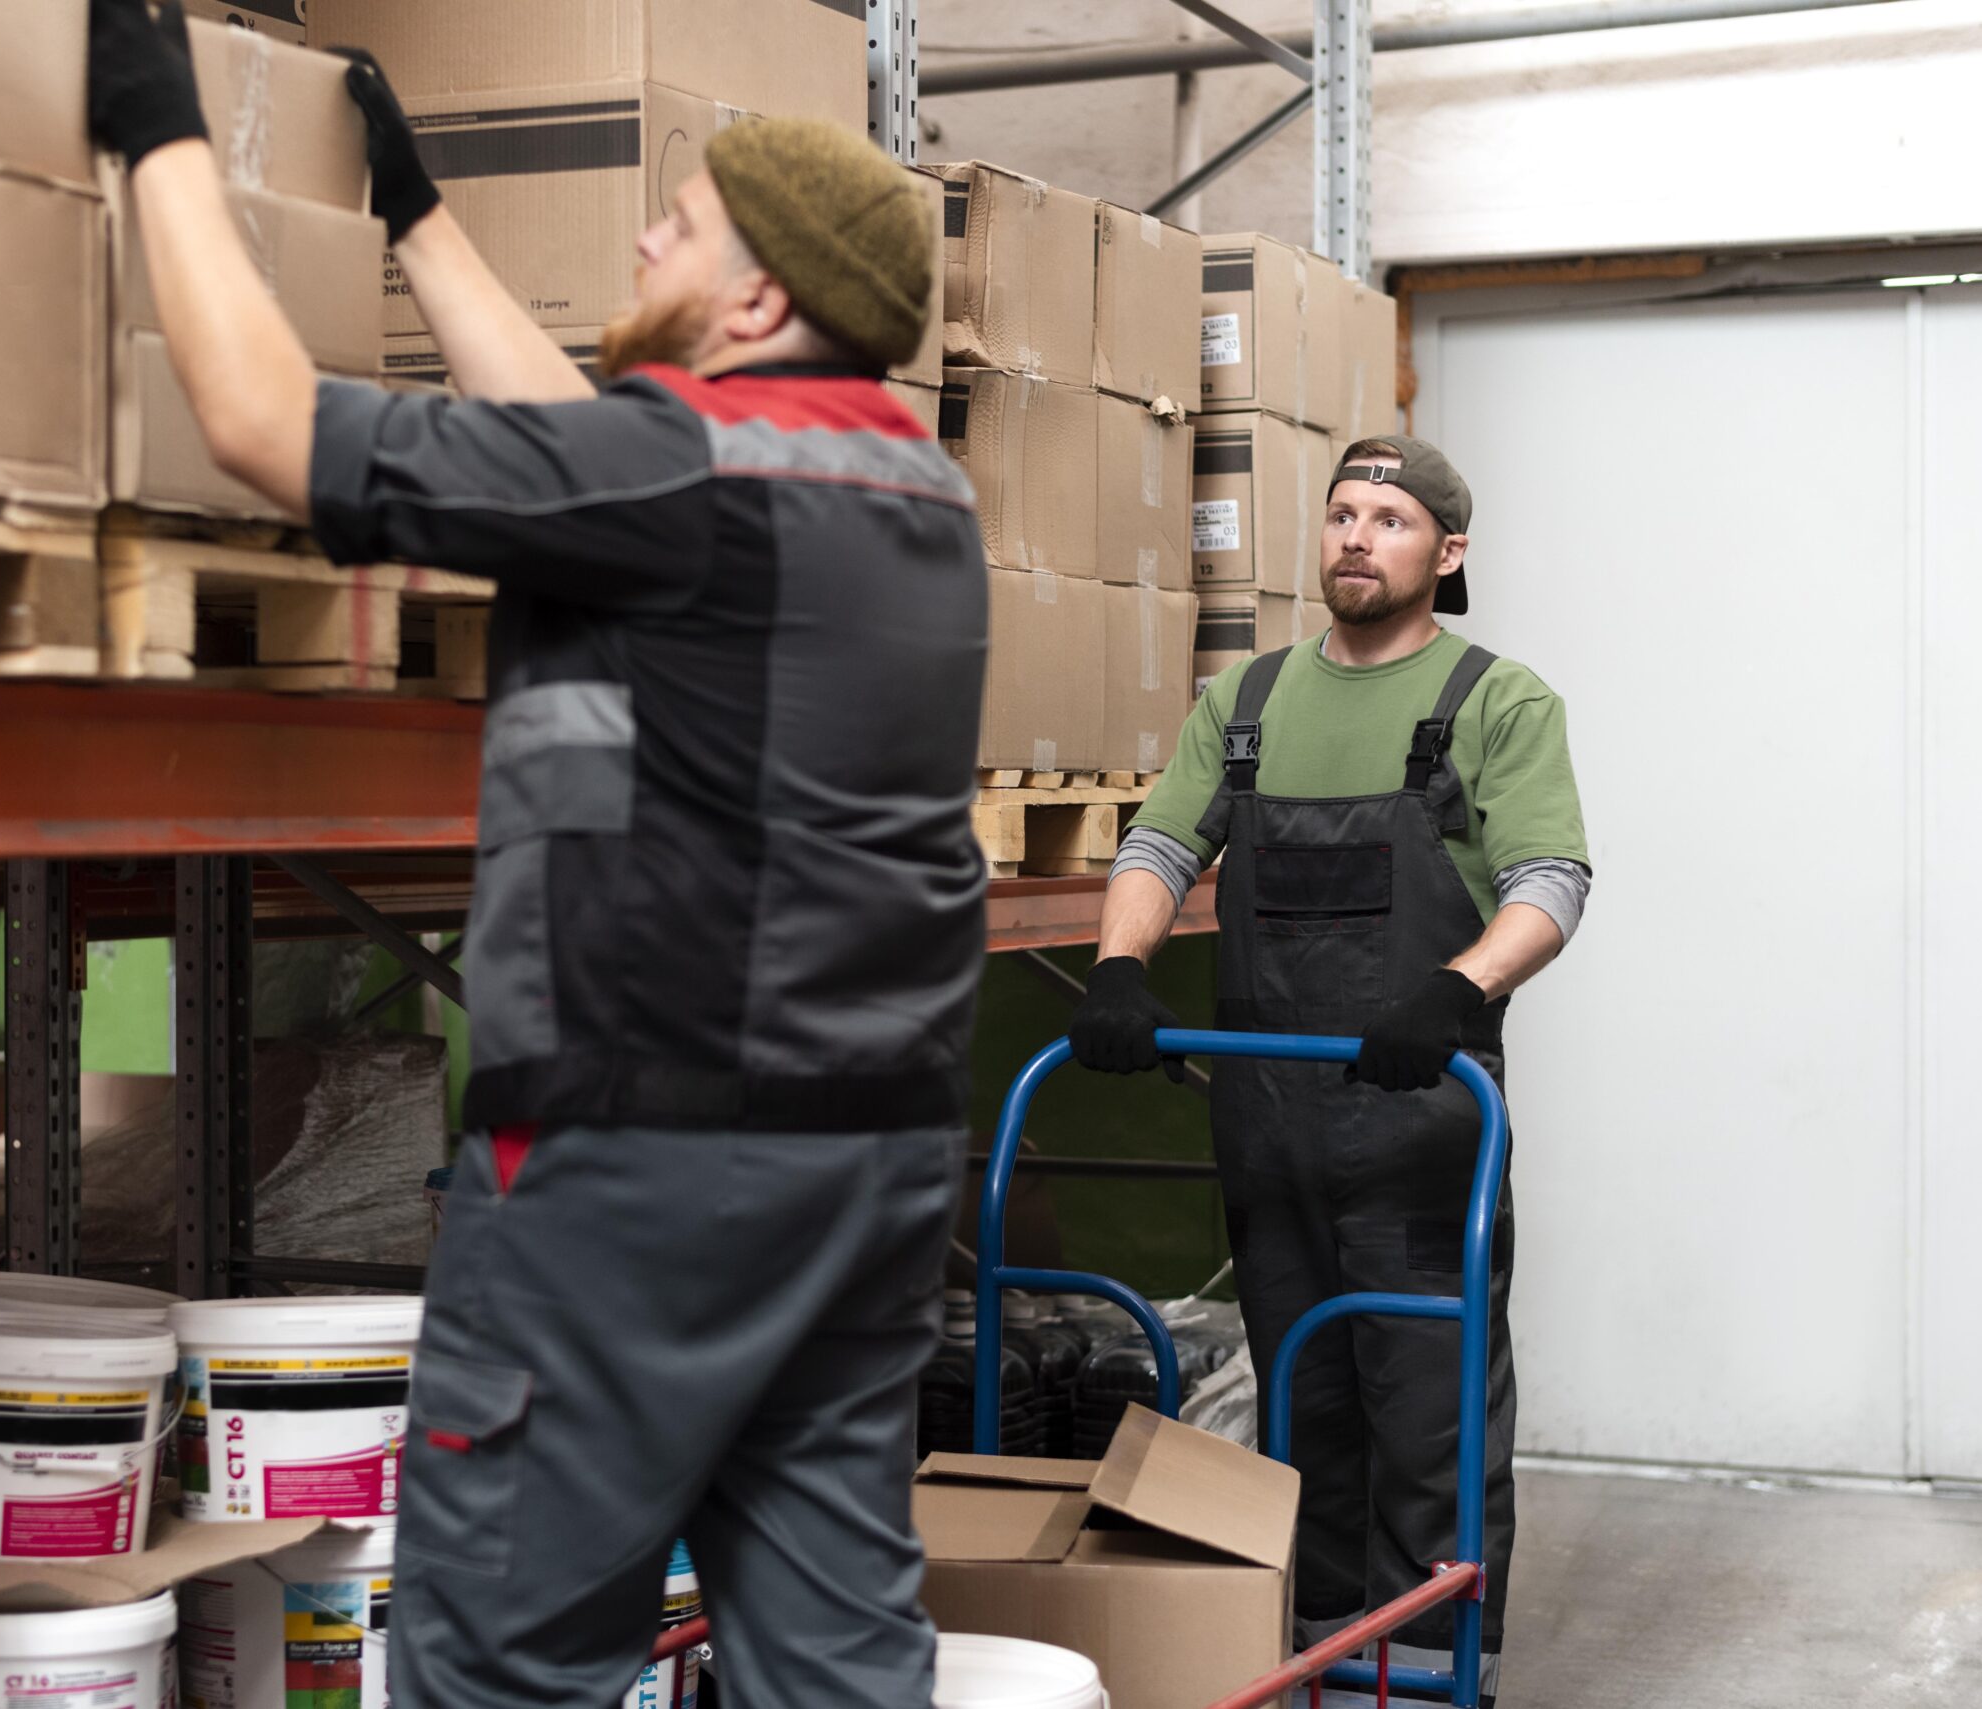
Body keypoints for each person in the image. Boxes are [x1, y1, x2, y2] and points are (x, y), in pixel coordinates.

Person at [85, 6, 989, 1706]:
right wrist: (423, 224)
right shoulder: (908, 489)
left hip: (647, 1165)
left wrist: (159, 137)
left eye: (686, 219)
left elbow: (266, 428)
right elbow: (580, 449)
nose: (648, 231)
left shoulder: (682, 476)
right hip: (862, 1173)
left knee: (498, 1662)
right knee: (836, 1661)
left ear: (758, 301)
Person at [1068, 437, 1590, 1706]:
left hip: (1417, 1131)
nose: (1357, 536)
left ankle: (1428, 1677)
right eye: (1342, 513)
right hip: (1267, 1127)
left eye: (1392, 519)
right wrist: (1121, 965)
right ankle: (1314, 1668)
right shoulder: (1243, 703)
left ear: (1445, 552)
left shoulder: (1493, 700)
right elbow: (1158, 841)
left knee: (1426, 1415)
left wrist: (1458, 986)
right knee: (1303, 1408)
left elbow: (1550, 883)